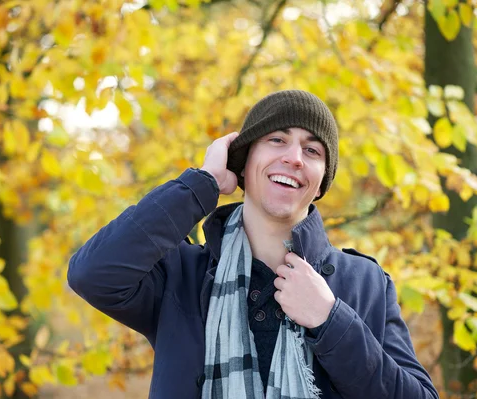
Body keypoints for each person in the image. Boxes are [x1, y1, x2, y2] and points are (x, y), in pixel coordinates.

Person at [67, 90, 439, 399]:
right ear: (244, 164)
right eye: (276, 140)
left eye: (312, 151)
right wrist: (202, 184)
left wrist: (330, 320)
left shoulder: (364, 283)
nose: (294, 158)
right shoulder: (180, 277)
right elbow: (92, 273)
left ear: (321, 182)